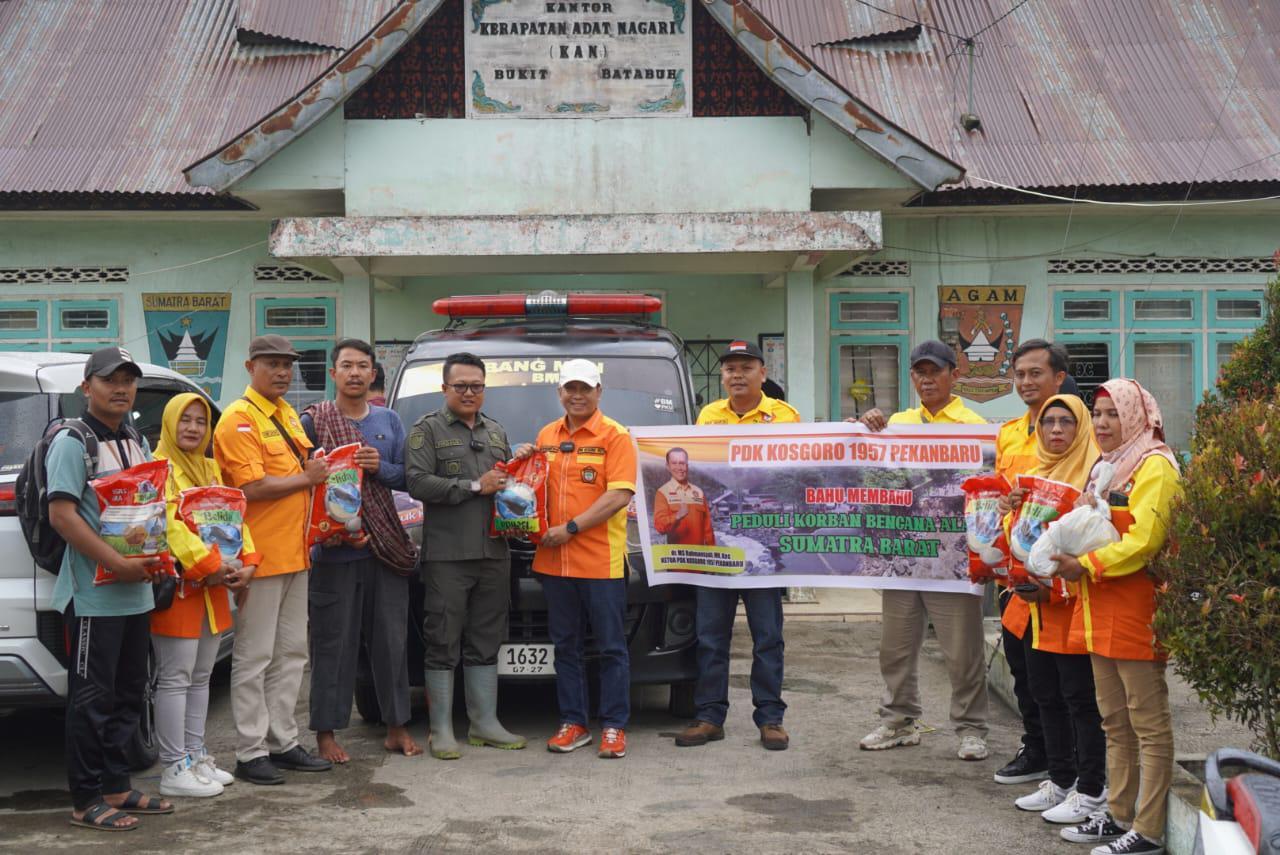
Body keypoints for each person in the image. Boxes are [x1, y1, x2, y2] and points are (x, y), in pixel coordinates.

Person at [1051, 379, 1181, 855]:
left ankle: (1147, 831)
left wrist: (1082, 564)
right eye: (1098, 414)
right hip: (1099, 609)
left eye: (1113, 414)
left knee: (1148, 723)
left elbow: (1145, 539)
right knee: (1115, 722)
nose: (1103, 424)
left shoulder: (1156, 467)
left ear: (1137, 416)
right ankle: (1119, 814)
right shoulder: (1106, 469)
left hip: (1135, 611)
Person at [47, 347, 172, 830]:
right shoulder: (72, 442)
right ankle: (85, 799)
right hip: (94, 596)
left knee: (127, 693)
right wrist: (116, 563)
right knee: (91, 698)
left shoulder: (134, 437)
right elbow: (62, 515)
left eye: (128, 380)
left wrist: (151, 560)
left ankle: (117, 785)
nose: (120, 388)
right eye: (109, 380)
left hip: (135, 593)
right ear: (86, 388)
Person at [854, 340, 991, 761]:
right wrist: (862, 427)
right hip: (904, 555)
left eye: (935, 371)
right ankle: (900, 719)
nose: (926, 379)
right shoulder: (898, 421)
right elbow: (870, 467)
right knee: (895, 647)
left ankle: (971, 728)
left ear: (954, 374)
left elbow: (984, 489)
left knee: (962, 650)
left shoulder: (974, 425)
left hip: (950, 559)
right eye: (919, 372)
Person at [213, 335, 332, 785]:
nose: (283, 372)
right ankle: (249, 751)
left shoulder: (284, 414)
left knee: (292, 654)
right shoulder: (239, 420)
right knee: (254, 655)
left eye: (288, 365)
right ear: (250, 366)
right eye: (273, 364)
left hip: (296, 553)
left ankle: (283, 741)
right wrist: (306, 477)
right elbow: (251, 488)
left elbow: (302, 473)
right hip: (257, 557)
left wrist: (314, 472)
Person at [301, 339, 421, 763]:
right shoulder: (314, 422)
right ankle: (326, 734)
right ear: (332, 374)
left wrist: (379, 468)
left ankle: (396, 727)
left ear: (373, 375)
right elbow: (302, 484)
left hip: (384, 548)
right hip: (334, 554)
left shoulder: (389, 421)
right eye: (346, 365)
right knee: (333, 646)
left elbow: (409, 477)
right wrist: (326, 533)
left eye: (362, 367)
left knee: (391, 642)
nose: (354, 373)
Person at [677, 340, 799, 751]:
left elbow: (799, 467)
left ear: (762, 373)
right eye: (730, 369)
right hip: (716, 544)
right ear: (723, 377)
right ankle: (710, 716)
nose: (737, 375)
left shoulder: (784, 417)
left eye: (746, 367)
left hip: (764, 543)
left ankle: (770, 718)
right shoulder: (708, 416)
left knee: (768, 636)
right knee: (711, 636)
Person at [404, 351, 526, 760]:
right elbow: (418, 482)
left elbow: (504, 485)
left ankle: (484, 723)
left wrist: (521, 470)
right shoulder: (428, 430)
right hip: (448, 557)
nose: (469, 392)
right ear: (445, 389)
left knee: (486, 640)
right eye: (461, 386)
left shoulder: (496, 431)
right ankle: (441, 729)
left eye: (476, 386)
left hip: (494, 552)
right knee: (442, 640)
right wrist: (475, 486)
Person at [998, 394, 1107, 825]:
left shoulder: (1092, 481)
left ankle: (1088, 786)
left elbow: (1093, 548)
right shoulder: (1035, 473)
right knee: (1043, 693)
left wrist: (1053, 590)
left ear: (1081, 428)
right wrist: (1010, 512)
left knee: (1078, 698)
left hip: (1069, 607)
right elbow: (1020, 542)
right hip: (1030, 607)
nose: (1057, 430)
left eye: (1066, 422)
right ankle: (1061, 779)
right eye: (1049, 423)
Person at [151, 393, 260, 797]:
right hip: (181, 587)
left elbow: (235, 520)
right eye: (185, 420)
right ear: (169, 423)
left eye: (200, 421)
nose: (193, 428)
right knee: (175, 678)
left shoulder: (212, 469)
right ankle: (172, 766)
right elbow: (167, 525)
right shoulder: (158, 470)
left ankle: (195, 755)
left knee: (201, 677)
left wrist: (248, 561)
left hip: (214, 588)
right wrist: (211, 564)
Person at [534, 359, 637, 759]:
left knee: (612, 647)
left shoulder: (615, 436)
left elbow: (619, 496)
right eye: (569, 388)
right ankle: (573, 723)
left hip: (600, 562)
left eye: (585, 388)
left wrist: (571, 529)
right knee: (566, 647)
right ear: (559, 392)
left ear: (599, 392)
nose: (577, 395)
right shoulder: (546, 434)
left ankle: (614, 726)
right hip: (554, 563)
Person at [993, 339, 1069, 786]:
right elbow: (1003, 497)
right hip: (1014, 575)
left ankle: (1072, 764)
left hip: (1061, 580)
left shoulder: (1075, 427)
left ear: (1058, 378)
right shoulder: (1008, 432)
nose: (1025, 382)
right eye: (1019, 374)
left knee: (1063, 679)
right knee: (1024, 671)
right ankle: (1037, 747)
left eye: (1035, 373)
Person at [652, 447, 715, 546]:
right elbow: (660, 527)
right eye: (674, 463)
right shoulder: (662, 493)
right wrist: (677, 516)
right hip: (676, 558)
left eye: (682, 463)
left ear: (687, 466)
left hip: (700, 557)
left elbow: (708, 529)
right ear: (668, 466)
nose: (679, 468)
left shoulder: (699, 492)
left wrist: (713, 552)